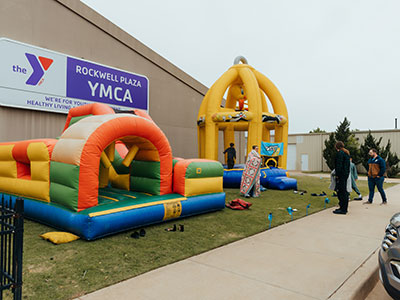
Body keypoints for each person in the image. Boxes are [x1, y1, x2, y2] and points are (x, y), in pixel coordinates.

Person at [333, 141, 351, 215]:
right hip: (345, 174)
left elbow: (339, 165)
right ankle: (342, 207)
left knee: (341, 191)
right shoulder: (346, 153)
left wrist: (337, 174)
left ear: (337, 146)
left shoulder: (340, 153)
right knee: (343, 191)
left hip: (341, 175)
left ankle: (343, 209)